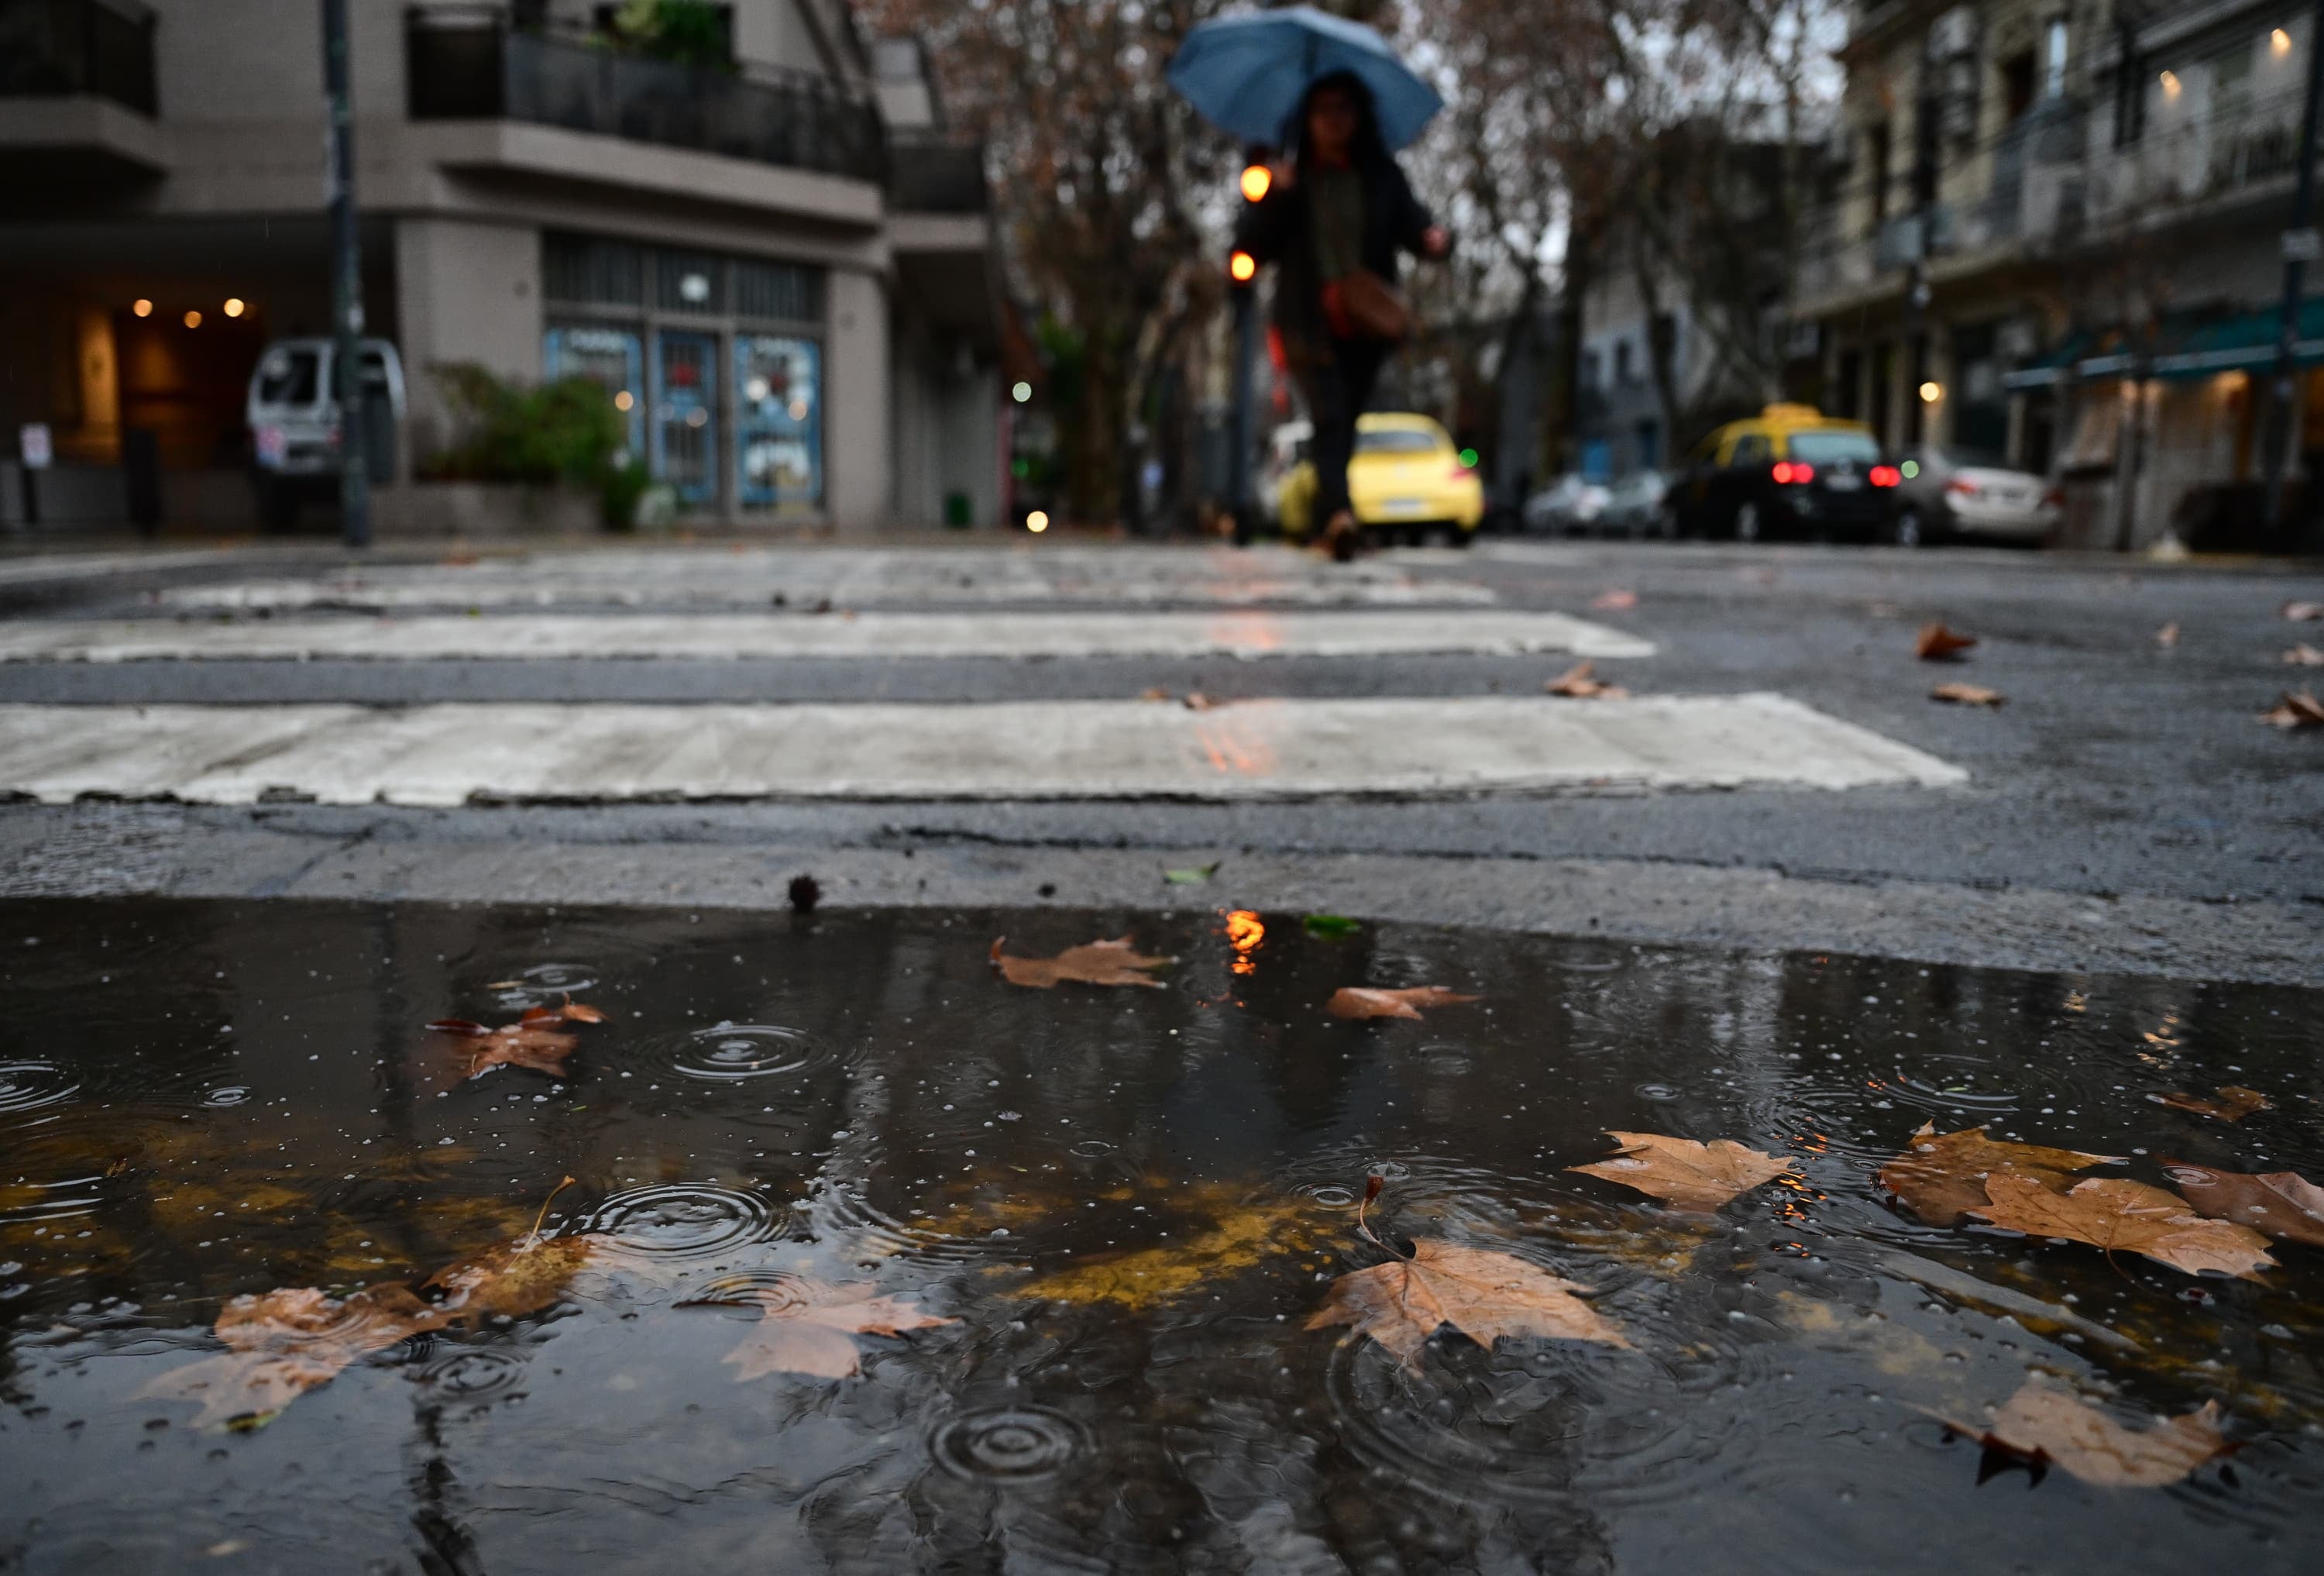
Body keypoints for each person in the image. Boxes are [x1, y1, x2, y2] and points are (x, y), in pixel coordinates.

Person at [1235, 72, 1449, 559]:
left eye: (1343, 108)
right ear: (1307, 119)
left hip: (1365, 319)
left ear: (1359, 116)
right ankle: (1338, 516)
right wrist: (1276, 196)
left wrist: (1436, 240)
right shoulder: (1291, 177)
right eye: (1323, 109)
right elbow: (1250, 248)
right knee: (1329, 414)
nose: (1333, 120)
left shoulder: (1381, 176)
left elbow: (1416, 226)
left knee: (1346, 418)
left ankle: (1328, 517)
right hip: (1305, 320)